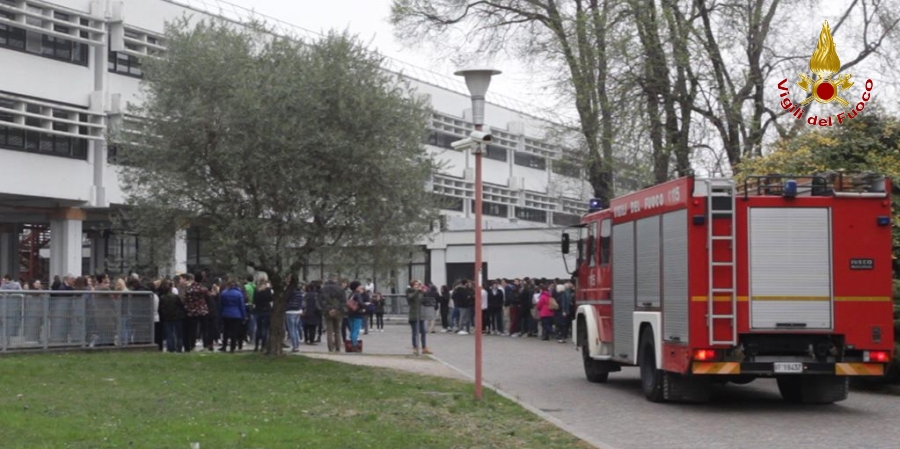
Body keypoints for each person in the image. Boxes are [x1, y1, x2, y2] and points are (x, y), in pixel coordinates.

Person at [218, 279, 247, 353]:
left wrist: (220, 314)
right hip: (236, 314)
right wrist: (244, 316)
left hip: (226, 313)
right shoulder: (238, 294)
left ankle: (224, 346)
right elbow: (241, 306)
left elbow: (221, 305)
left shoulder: (224, 293)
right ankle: (232, 347)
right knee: (234, 331)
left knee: (226, 331)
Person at [157, 280, 185, 353]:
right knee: (178, 333)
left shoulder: (162, 298)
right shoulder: (175, 297)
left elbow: (161, 308)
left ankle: (171, 348)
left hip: (167, 317)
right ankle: (179, 347)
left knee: (169, 334)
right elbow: (181, 306)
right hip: (177, 316)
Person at [320, 277, 346, 353]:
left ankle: (330, 348)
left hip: (327, 312)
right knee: (338, 330)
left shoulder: (323, 289)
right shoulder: (340, 289)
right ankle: (338, 348)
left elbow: (321, 301)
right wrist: (336, 309)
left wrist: (329, 309)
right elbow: (343, 302)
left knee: (329, 331)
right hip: (338, 311)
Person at [406, 280, 430, 355]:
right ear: (412, 285)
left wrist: (422, 285)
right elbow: (410, 297)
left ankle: (424, 348)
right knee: (415, 333)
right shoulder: (409, 291)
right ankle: (415, 348)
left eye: (418, 284)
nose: (417, 285)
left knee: (423, 332)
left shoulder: (420, 292)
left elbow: (427, 290)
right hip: (413, 315)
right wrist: (417, 291)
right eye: (416, 284)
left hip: (420, 315)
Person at [253, 275, 274, 352]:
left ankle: (256, 346)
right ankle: (263, 346)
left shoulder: (256, 290)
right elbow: (271, 298)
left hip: (258, 310)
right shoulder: (268, 290)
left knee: (258, 328)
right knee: (264, 328)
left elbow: (254, 300)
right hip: (266, 310)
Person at [285, 276, 304, 353]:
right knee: (295, 329)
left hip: (290, 311)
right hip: (298, 311)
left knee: (291, 329)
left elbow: (285, 299)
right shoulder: (299, 292)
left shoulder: (290, 291)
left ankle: (295, 346)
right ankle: (297, 345)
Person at [346, 283, 367, 352]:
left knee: (352, 330)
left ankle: (352, 342)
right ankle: (354, 345)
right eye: (359, 286)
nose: (361, 287)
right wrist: (365, 306)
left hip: (350, 313)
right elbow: (360, 303)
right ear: (356, 287)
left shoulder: (351, 294)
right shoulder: (357, 295)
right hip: (357, 314)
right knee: (356, 330)